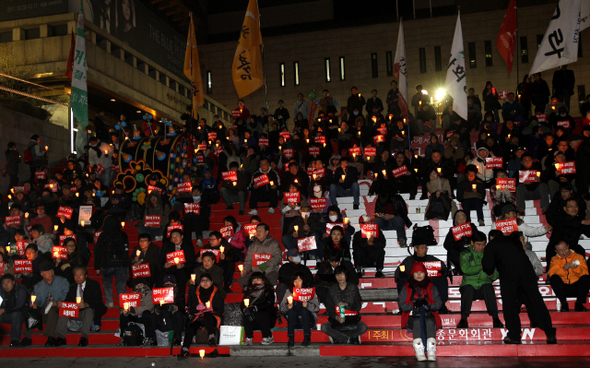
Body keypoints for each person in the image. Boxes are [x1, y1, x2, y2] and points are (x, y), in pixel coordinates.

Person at [481, 231, 556, 344]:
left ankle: (514, 335)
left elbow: (488, 266)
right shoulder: (513, 240)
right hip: (527, 273)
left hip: (509, 275)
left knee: (510, 304)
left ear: (491, 237)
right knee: (536, 301)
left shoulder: (491, 245)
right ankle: (549, 332)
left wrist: (490, 271)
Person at [395, 226, 450, 314]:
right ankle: (404, 306)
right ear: (415, 248)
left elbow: (443, 267)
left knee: (442, 278)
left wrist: (443, 271)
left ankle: (441, 305)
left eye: (426, 248)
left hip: (429, 288)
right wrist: (402, 274)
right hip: (413, 288)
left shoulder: (431, 259)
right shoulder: (409, 261)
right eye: (422, 248)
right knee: (401, 279)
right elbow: (398, 272)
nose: (425, 250)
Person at [457, 231, 503, 329]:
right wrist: (482, 266)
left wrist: (492, 275)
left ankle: (496, 318)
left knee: (488, 287)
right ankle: (463, 319)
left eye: (483, 244)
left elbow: (496, 272)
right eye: (478, 244)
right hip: (469, 284)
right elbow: (465, 269)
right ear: (472, 243)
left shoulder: (490, 253)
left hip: (484, 284)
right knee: (468, 289)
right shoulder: (465, 253)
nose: (481, 247)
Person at [398, 262, 441, 361]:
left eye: (421, 272)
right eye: (416, 272)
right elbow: (402, 306)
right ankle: (419, 350)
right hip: (412, 316)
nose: (418, 275)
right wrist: (413, 304)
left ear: (425, 274)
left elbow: (438, 304)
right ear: (412, 274)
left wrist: (428, 303)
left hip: (429, 315)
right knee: (417, 322)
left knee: (430, 322)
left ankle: (431, 350)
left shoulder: (431, 287)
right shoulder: (406, 288)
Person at [54, 266, 107, 346]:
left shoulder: (93, 284)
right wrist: (61, 304)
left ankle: (84, 337)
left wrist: (87, 304)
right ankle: (61, 337)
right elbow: (68, 300)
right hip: (75, 312)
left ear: (86, 275)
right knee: (63, 310)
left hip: (89, 311)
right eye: (75, 275)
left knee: (88, 310)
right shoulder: (72, 287)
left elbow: (98, 301)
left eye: (80, 275)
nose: (78, 277)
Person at [179, 273, 225, 358]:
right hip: (199, 317)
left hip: (212, 318)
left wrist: (211, 310)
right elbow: (191, 309)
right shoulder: (195, 292)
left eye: (207, 280)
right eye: (203, 281)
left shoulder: (216, 293)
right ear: (199, 283)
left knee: (207, 314)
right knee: (191, 327)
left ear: (211, 282)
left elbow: (220, 309)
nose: (205, 283)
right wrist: (197, 309)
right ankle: (185, 349)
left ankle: (211, 337)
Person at [321, 265, 367, 344]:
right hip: (337, 318)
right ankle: (350, 338)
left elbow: (357, 306)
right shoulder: (331, 289)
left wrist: (347, 304)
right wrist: (336, 317)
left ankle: (338, 338)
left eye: (342, 274)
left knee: (363, 327)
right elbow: (329, 308)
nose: (340, 277)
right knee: (324, 327)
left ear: (346, 275)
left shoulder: (353, 288)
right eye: (337, 275)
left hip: (351, 318)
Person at [31, 261, 69, 346]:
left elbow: (66, 294)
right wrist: (35, 304)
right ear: (42, 274)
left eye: (51, 270)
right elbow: (35, 298)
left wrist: (59, 301)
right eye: (47, 272)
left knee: (53, 310)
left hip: (58, 308)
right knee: (32, 311)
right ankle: (27, 337)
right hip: (44, 310)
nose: (50, 273)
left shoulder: (62, 281)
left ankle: (50, 337)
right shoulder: (38, 286)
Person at [94, 216, 129, 308]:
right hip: (122, 264)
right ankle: (122, 304)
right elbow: (126, 250)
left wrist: (97, 266)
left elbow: (98, 251)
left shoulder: (103, 235)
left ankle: (109, 302)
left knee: (107, 284)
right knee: (121, 285)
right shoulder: (123, 234)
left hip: (107, 264)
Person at [279, 271, 320, 347]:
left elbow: (317, 308)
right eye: (295, 281)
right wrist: (288, 307)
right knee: (291, 311)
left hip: (308, 320)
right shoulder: (289, 292)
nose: (297, 283)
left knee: (304, 310)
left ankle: (307, 336)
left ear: (303, 281)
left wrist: (307, 305)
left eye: (299, 280)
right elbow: (281, 308)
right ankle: (291, 337)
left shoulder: (309, 291)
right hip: (294, 320)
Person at [548, 241, 590, 312]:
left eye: (565, 249)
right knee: (554, 278)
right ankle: (564, 304)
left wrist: (575, 269)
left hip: (577, 286)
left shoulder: (579, 257)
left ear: (568, 246)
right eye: (560, 251)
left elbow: (585, 272)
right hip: (563, 288)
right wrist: (563, 269)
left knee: (586, 278)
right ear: (556, 251)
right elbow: (551, 273)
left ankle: (579, 304)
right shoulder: (554, 260)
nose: (564, 252)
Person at [160, 229, 196, 309]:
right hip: (170, 270)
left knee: (181, 275)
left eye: (177, 236)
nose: (175, 239)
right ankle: (163, 304)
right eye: (173, 237)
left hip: (183, 271)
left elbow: (192, 261)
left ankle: (180, 305)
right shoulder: (168, 247)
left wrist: (183, 265)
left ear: (182, 237)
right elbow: (162, 261)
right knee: (162, 276)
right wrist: (165, 265)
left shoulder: (188, 247)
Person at [239, 223, 282, 287]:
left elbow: (278, 258)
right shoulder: (252, 246)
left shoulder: (274, 243)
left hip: (270, 271)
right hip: (257, 273)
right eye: (257, 231)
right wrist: (245, 270)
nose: (258, 233)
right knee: (242, 281)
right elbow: (248, 261)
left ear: (266, 232)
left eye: (260, 231)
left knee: (271, 280)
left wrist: (267, 264)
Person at [241, 272, 278, 345]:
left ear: (263, 280)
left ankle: (267, 336)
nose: (255, 282)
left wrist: (256, 308)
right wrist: (245, 309)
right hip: (253, 318)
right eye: (253, 280)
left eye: (258, 279)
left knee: (259, 314)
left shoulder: (268, 290)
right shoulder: (249, 291)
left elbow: (269, 303)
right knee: (247, 314)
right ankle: (249, 337)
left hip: (267, 317)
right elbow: (243, 303)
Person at [0, 273, 30, 347]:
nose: (6, 285)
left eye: (8, 282)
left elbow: (19, 306)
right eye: (3, 283)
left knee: (16, 314)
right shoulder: (1, 291)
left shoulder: (21, 290)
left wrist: (4, 310)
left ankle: (15, 340)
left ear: (13, 282)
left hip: (22, 315)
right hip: (6, 315)